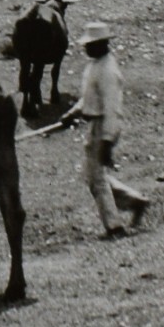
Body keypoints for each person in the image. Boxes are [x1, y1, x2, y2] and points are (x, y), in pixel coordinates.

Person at [53, 20, 150, 239]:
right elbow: (89, 98)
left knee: (96, 178)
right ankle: (135, 201)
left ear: (103, 44)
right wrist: (73, 113)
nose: (86, 48)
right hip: (94, 125)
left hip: (103, 126)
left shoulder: (108, 71)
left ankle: (114, 227)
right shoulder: (95, 65)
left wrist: (107, 140)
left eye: (91, 44)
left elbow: (112, 109)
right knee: (93, 176)